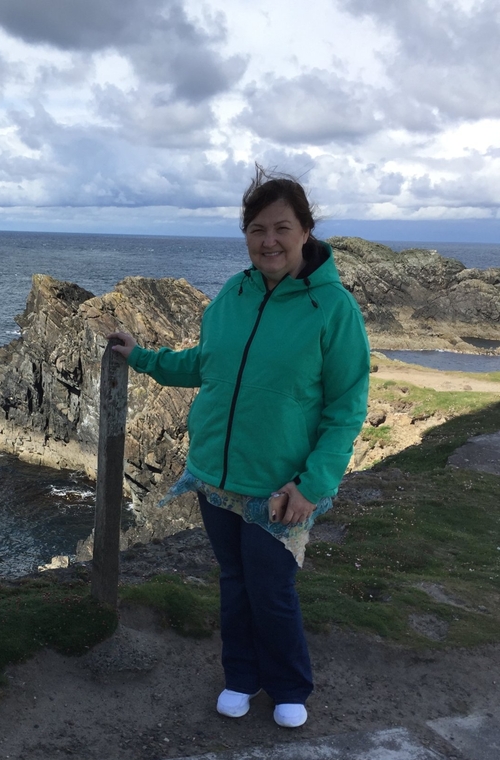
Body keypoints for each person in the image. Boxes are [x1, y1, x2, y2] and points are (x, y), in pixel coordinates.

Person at [110, 167, 370, 728]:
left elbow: (346, 406)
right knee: (234, 582)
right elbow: (205, 364)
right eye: (256, 229)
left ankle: (288, 686)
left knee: (272, 590)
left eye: (281, 227)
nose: (268, 240)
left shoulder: (334, 309)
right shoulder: (233, 291)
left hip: (281, 487)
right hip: (215, 476)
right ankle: (241, 677)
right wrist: (144, 357)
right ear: (245, 234)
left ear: (305, 230)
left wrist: (314, 485)